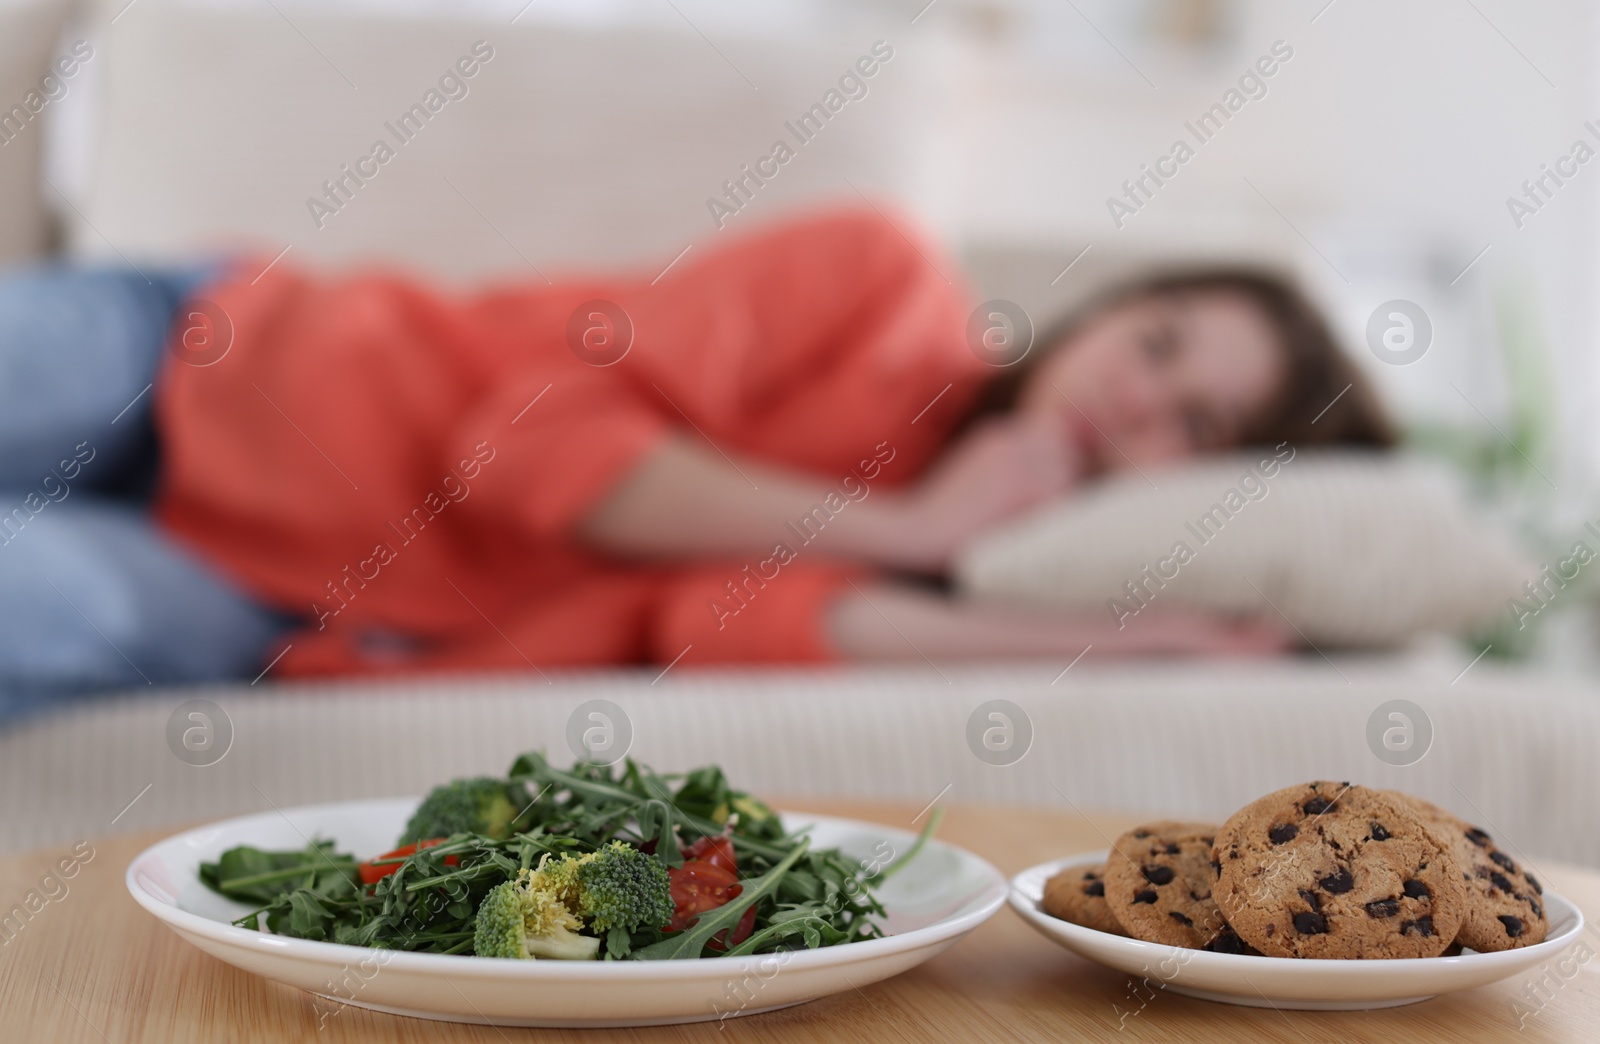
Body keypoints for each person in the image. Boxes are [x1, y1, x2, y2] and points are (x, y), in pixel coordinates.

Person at [0, 208, 1392, 721]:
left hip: (272, 603)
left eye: (1198, 429)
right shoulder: (881, 283)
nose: (1133, 402)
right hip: (226, 354)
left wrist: (1148, 637)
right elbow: (521, 451)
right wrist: (899, 521)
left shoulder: (977, 574)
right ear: (1109, 310)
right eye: (1155, 346)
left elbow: (718, 622)